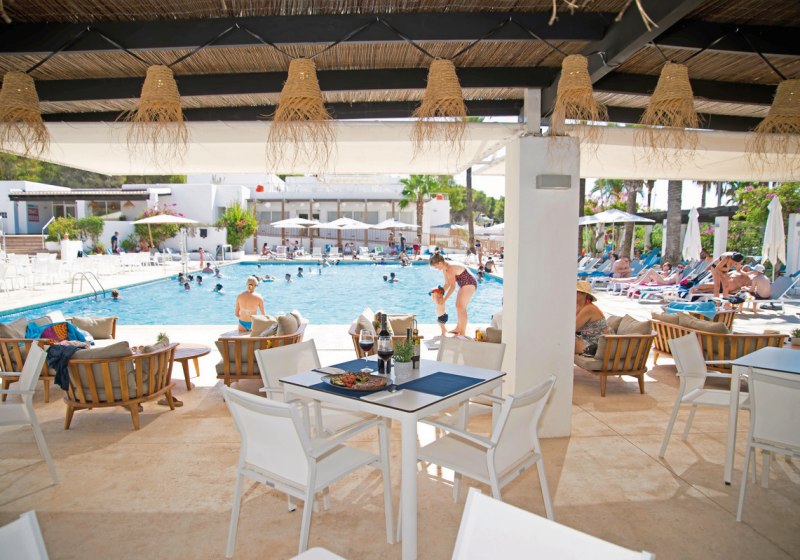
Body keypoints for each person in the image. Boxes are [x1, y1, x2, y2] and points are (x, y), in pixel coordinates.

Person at [429, 253, 476, 336]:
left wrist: (444, 299)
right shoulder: (445, 269)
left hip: (469, 283)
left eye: (435, 266)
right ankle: (458, 328)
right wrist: (439, 293)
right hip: (464, 284)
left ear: (440, 263)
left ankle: (462, 333)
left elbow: (453, 287)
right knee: (458, 306)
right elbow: (447, 284)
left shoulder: (450, 268)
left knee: (461, 307)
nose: (436, 268)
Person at [575, 281, 607, 356]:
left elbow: (572, 328)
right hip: (585, 339)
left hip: (594, 345)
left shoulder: (588, 309)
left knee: (563, 340)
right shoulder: (579, 306)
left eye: (576, 292)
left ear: (584, 294)